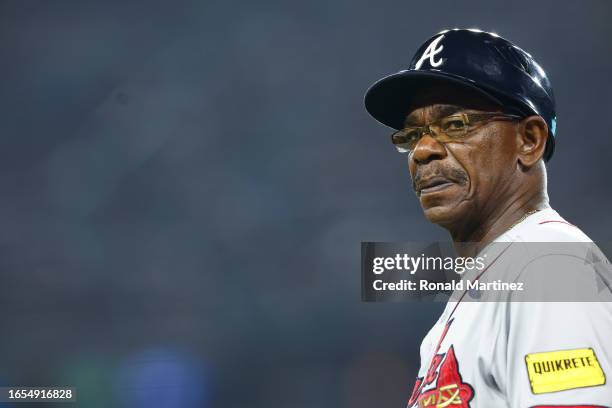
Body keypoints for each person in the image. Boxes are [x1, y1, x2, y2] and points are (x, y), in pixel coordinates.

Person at [364, 28, 612, 407]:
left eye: (456, 125)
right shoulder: (495, 281)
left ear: (529, 139)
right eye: (412, 135)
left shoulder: (551, 266)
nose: (423, 151)